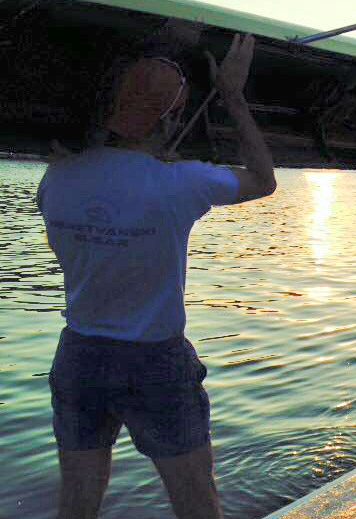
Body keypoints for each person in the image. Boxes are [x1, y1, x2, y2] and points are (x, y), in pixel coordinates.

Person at [38, 34, 276, 519]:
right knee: (196, 504)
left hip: (79, 353)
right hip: (154, 361)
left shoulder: (56, 179)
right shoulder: (182, 182)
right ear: (169, 120)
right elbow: (263, 180)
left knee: (77, 503)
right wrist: (232, 96)